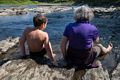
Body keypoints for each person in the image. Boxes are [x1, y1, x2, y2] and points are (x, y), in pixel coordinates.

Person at [61, 5, 113, 69]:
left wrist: (66, 58)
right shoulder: (92, 28)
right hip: (86, 60)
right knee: (99, 46)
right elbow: (97, 41)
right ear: (89, 15)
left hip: (72, 58)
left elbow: (62, 45)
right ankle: (108, 49)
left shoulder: (69, 26)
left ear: (76, 15)